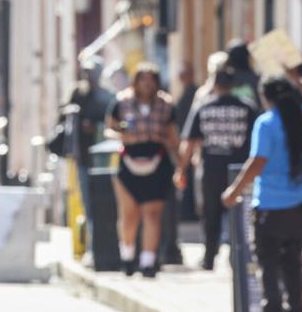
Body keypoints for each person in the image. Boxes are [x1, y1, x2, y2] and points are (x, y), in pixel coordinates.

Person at [223, 71, 302, 312]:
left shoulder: (266, 123)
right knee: (292, 264)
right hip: (298, 208)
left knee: (268, 266)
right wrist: (300, 79)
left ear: (265, 97)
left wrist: (234, 191)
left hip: (269, 207)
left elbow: (257, 162)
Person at [105, 63, 184, 277]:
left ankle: (148, 261)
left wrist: (181, 165)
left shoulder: (166, 105)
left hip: (157, 161)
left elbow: (172, 136)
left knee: (152, 214)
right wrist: (123, 135)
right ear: (136, 81)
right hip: (129, 159)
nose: (147, 84)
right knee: (129, 214)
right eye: (143, 79)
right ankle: (127, 257)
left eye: (151, 80)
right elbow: (109, 128)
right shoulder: (122, 101)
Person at [180, 67, 258, 270]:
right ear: (233, 86)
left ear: (214, 85)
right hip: (239, 170)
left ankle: (209, 257)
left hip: (211, 168)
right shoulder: (247, 108)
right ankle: (237, 255)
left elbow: (188, 142)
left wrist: (181, 169)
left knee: (210, 214)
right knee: (239, 211)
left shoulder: (203, 107)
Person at [66, 57, 114, 235]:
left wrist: (97, 127)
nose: (89, 76)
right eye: (86, 72)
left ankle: (103, 242)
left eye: (92, 72)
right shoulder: (77, 94)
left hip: (104, 161)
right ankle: (92, 244)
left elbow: (113, 124)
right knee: (87, 202)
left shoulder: (107, 97)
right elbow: (66, 120)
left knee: (104, 203)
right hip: (83, 157)